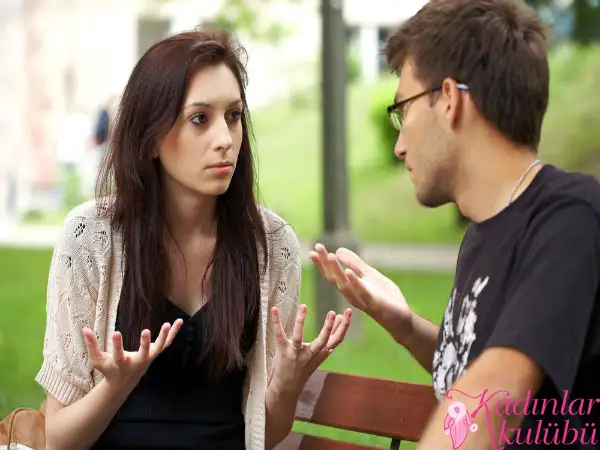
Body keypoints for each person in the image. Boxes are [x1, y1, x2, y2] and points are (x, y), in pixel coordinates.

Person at [36, 28, 352, 450]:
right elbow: (59, 441)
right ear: (151, 136)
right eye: (200, 119)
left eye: (234, 116)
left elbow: (266, 435)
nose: (225, 139)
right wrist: (116, 386)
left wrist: (288, 385)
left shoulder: (271, 245)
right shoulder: (91, 237)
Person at [311, 1, 600, 449]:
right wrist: (405, 326)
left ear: (449, 99)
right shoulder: (482, 234)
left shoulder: (571, 217)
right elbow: (471, 369)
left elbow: (495, 397)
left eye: (403, 108)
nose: (399, 145)